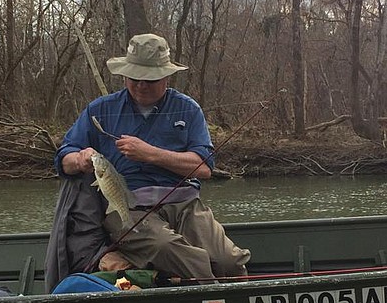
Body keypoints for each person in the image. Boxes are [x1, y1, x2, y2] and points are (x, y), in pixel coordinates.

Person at [53, 33, 250, 282]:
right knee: (164, 247)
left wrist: (151, 154)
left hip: (185, 205)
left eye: (149, 79)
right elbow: (63, 158)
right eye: (133, 78)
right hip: (128, 207)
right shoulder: (99, 110)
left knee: (229, 262)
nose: (140, 85)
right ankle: (212, 290)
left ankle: (220, 287)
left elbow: (204, 168)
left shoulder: (188, 109)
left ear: (167, 76)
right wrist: (79, 159)